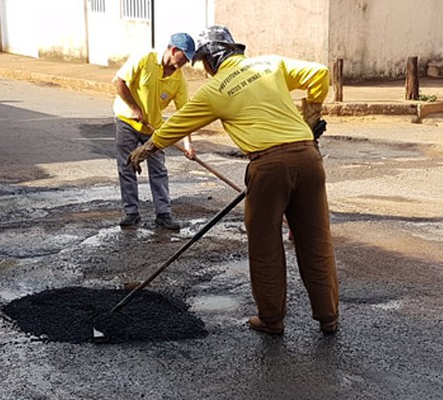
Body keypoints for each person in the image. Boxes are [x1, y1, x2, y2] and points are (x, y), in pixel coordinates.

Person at [127, 26, 339, 335]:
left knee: (266, 245)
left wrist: (146, 148)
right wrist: (312, 109)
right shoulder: (270, 64)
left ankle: (271, 319)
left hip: (268, 167)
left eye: (203, 64)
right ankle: (329, 317)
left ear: (211, 61)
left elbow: (178, 124)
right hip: (308, 157)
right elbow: (319, 74)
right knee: (316, 241)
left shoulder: (216, 90)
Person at [113, 32, 197, 231]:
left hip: (154, 128)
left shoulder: (179, 80)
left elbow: (184, 114)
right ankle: (131, 212)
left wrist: (188, 145)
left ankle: (163, 213)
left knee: (158, 169)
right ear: (174, 50)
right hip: (127, 120)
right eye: (184, 58)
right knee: (127, 166)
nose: (185, 63)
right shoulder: (145, 58)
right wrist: (134, 108)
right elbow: (118, 82)